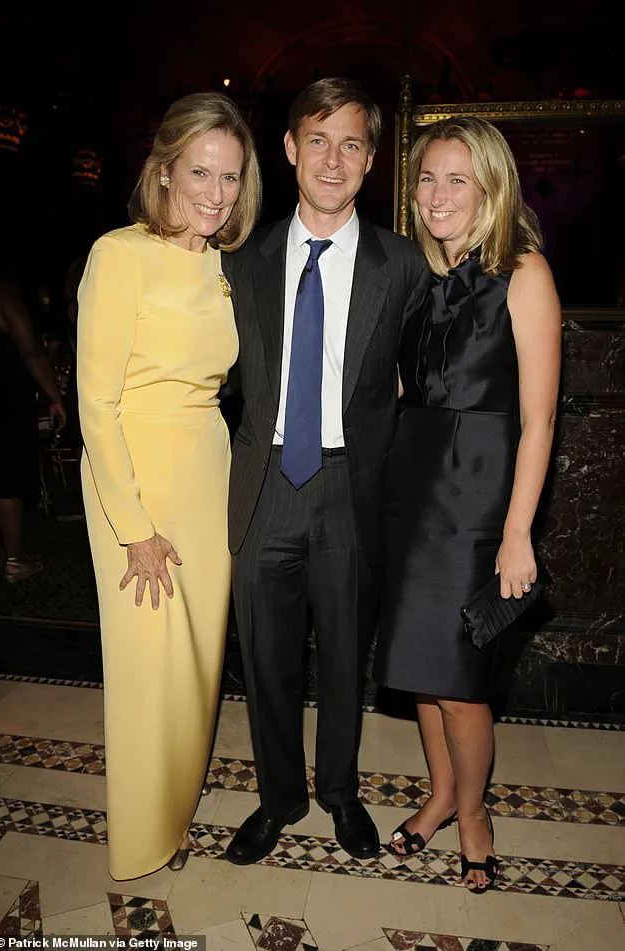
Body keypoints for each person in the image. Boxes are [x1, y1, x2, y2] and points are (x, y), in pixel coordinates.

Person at [222, 78, 430, 865]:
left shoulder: (402, 265)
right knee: (266, 660)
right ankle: (279, 797)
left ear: (372, 159)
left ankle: (340, 792)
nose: (333, 160)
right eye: (318, 140)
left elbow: (425, 374)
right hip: (265, 483)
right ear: (289, 149)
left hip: (350, 484)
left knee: (345, 656)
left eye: (351, 144)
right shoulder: (241, 261)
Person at [76, 92, 261, 880]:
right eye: (200, 173)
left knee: (195, 664)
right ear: (164, 171)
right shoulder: (119, 255)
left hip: (208, 474)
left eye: (230, 176)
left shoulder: (228, 266)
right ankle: (144, 835)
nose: (215, 193)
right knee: (147, 665)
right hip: (134, 479)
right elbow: (96, 404)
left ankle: (176, 809)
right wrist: (134, 527)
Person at [373, 116, 561, 892]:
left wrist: (517, 532)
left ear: (491, 188)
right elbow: (399, 388)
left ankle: (475, 812)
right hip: (410, 489)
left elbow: (540, 418)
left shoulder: (524, 272)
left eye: (457, 179)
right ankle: (441, 793)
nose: (437, 194)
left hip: (478, 502)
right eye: (427, 178)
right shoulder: (419, 276)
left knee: (458, 681)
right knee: (420, 668)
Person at [0, 270, 66, 581]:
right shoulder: (0, 291)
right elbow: (30, 347)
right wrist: (55, 396)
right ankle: (13, 559)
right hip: (1, 398)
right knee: (5, 476)